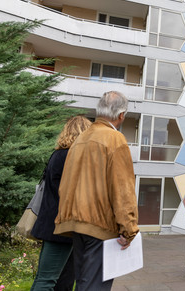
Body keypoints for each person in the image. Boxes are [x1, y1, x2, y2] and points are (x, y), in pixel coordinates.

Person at [55, 91, 139, 290]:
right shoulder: (115, 139)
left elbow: (65, 184)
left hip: (76, 223)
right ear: (121, 115)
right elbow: (123, 189)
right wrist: (129, 228)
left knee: (83, 281)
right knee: (94, 286)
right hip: (99, 224)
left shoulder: (80, 139)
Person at [31, 116, 92, 291]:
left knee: (62, 280)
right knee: (47, 280)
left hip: (59, 225)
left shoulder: (59, 154)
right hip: (61, 227)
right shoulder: (69, 156)